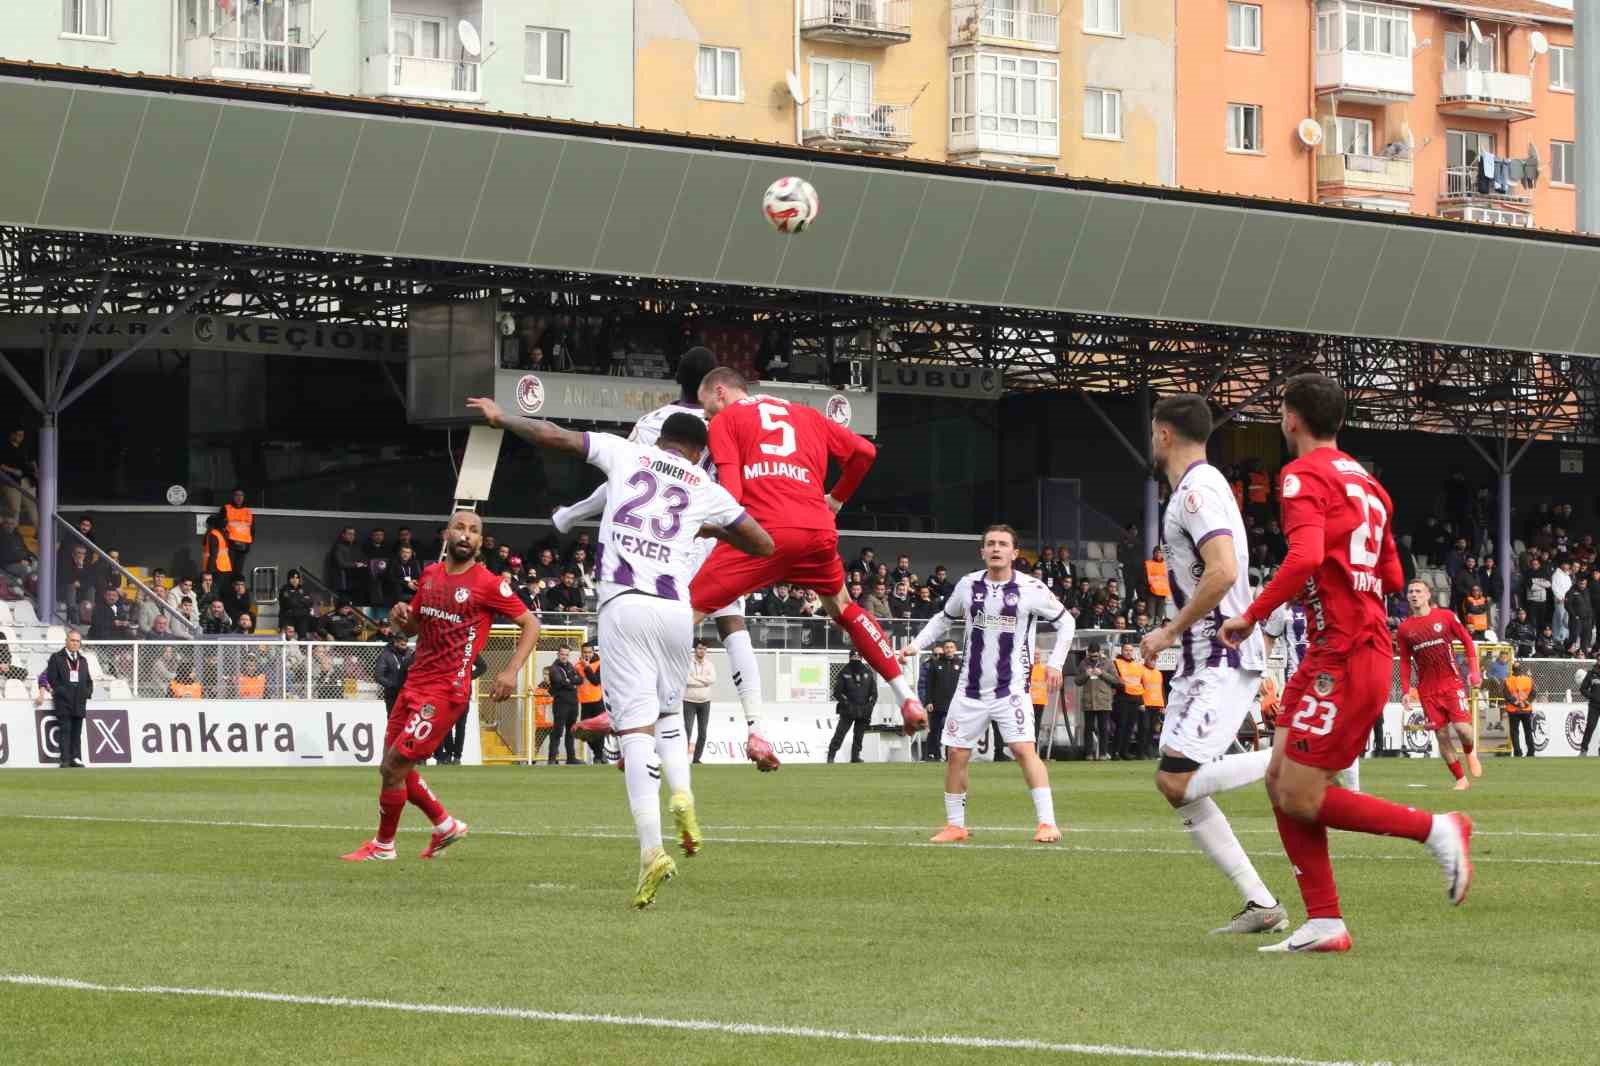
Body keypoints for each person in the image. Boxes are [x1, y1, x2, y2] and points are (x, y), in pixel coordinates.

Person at [469, 397, 772, 907]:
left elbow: (554, 435)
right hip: (677, 610)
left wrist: (504, 419)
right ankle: (684, 795)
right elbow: (761, 544)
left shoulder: (627, 453)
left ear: (661, 440)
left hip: (624, 604)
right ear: (699, 452)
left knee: (634, 730)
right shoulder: (705, 485)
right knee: (669, 714)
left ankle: (651, 850)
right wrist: (706, 525)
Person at [1220, 373, 1473, 954]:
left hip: (1346, 648)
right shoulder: (1372, 486)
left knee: (1303, 794)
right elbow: (1390, 577)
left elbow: (1306, 555)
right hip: (1339, 646)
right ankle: (1325, 921)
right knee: (1281, 781)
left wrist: (1253, 614)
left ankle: (1437, 829)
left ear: (1291, 419)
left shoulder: (1300, 475)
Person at [548, 348, 784, 773]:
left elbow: (619, 484)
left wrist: (571, 513)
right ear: (714, 384)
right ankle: (757, 726)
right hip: (716, 531)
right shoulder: (735, 420)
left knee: (638, 623)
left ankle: (627, 727)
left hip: (665, 542)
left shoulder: (655, 423)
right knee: (732, 624)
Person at [690, 368, 928, 749]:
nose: (706, 417)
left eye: (706, 408)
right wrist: (835, 499)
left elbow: (731, 495)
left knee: (683, 612)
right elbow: (865, 454)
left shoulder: (727, 421)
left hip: (763, 530)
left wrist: (707, 527)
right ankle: (905, 695)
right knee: (845, 608)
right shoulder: (808, 415)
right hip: (816, 530)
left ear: (720, 392)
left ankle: (636, 717)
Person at [1133, 394, 1286, 935]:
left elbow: (1220, 571)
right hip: (1202, 656)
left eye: (1154, 432)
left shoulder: (1196, 493)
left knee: (1178, 781)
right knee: (1174, 785)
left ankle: (1293, 759)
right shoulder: (1204, 486)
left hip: (1219, 650)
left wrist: (1170, 629)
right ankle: (1261, 904)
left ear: (1164, 434)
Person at [340, 509, 539, 863]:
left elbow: (531, 624)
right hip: (414, 682)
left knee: (394, 767)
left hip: (446, 690)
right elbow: (413, 628)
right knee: (391, 765)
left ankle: (384, 846)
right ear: (447, 534)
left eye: (474, 531)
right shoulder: (430, 575)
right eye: (460, 528)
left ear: (480, 541)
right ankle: (444, 826)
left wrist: (509, 672)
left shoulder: (489, 584)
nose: (466, 535)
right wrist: (402, 617)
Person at [900, 524, 1073, 845]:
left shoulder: (1031, 588)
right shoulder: (968, 585)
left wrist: (1055, 663)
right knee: (956, 754)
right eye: (990, 544)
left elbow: (1067, 622)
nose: (996, 549)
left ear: (1014, 552)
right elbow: (943, 618)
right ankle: (955, 825)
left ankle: (1047, 823)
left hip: (1011, 689)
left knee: (1023, 750)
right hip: (969, 690)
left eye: (1002, 544)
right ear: (982, 551)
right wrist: (917, 644)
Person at [1396, 580, 1483, 790]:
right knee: (1441, 735)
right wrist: (1406, 690)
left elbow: (1467, 640)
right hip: (1427, 690)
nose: (1414, 594)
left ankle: (1470, 751)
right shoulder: (1404, 629)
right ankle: (1461, 779)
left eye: (1418, 591)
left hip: (1451, 682)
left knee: (1463, 729)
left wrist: (1474, 671)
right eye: (1410, 592)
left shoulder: (1444, 616)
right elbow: (1406, 662)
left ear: (1428, 595)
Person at [42, 630, 92, 768]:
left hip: (79, 701)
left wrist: (87, 692)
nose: (75, 643)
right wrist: (63, 692)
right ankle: (65, 759)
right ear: (66, 641)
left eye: (77, 641)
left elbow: (88, 680)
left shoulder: (83, 660)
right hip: (64, 701)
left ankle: (76, 758)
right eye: (72, 640)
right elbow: (52, 679)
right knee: (65, 729)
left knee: (77, 731)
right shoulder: (56, 658)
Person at [827, 650, 876, 763]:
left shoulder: (868, 673)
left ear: (861, 658)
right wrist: (846, 704)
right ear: (849, 658)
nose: (856, 659)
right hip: (847, 710)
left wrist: (870, 706)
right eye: (853, 657)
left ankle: (855, 757)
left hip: (863, 710)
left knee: (859, 736)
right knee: (840, 734)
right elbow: (837, 692)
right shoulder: (844, 672)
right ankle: (831, 756)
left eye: (858, 657)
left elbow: (874, 693)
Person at [1075, 641, 1116, 760]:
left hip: (1103, 701)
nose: (1094, 657)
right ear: (1088, 653)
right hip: (1089, 701)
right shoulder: (1083, 663)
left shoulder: (1108, 663)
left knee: (1103, 729)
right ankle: (1088, 754)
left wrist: (1102, 673)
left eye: (1096, 655)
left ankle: (1103, 753)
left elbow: (1116, 680)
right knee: (1088, 728)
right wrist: (1086, 675)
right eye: (1091, 655)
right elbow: (1077, 681)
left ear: (1100, 652)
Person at [922, 639, 961, 762]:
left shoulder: (961, 664)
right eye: (947, 647)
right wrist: (928, 701)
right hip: (937, 704)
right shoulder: (935, 664)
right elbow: (928, 685)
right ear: (944, 649)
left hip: (954, 705)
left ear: (955, 649)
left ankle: (950, 756)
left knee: (952, 731)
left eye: (951, 647)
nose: (949, 649)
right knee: (935, 730)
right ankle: (932, 755)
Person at [545, 645, 581, 765]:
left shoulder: (570, 666)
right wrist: (571, 681)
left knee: (571, 731)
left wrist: (569, 680)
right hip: (561, 703)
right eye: (562, 654)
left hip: (573, 703)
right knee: (558, 731)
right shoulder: (554, 668)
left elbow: (580, 679)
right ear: (558, 654)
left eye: (566, 654)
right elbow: (559, 681)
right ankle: (552, 759)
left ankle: (571, 758)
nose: (564, 656)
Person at [1110, 640, 1145, 760]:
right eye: (1126, 650)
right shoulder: (1116, 662)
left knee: (1130, 726)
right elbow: (1115, 680)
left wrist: (1141, 701)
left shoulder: (1137, 664)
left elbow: (1139, 683)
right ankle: (1115, 752)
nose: (1128, 652)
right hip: (1122, 697)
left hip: (1135, 698)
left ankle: (1124, 752)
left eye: (1130, 650)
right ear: (1121, 651)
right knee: (1121, 725)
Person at [683, 641, 715, 764]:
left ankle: (696, 759)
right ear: (695, 649)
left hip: (705, 702)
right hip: (689, 701)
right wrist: (703, 681)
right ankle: (682, 758)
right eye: (699, 648)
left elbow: (712, 679)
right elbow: (686, 680)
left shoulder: (709, 665)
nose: (701, 651)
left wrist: (695, 678)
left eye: (704, 648)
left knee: (703, 732)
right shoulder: (687, 663)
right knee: (687, 730)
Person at [577, 642, 606, 764]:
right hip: (584, 702)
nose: (587, 654)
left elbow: (595, 681)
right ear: (581, 653)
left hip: (597, 701)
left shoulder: (600, 664)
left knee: (598, 730)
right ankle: (598, 753)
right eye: (585, 652)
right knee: (584, 731)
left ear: (593, 652)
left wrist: (587, 667)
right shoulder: (577, 665)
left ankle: (598, 756)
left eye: (589, 652)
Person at [375, 631, 411, 716]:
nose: (405, 647)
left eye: (406, 645)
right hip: (392, 694)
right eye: (402, 645)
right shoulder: (386, 655)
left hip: (408, 693)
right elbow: (378, 676)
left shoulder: (409, 653)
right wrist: (393, 685)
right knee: (393, 718)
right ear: (395, 643)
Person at [1503, 661, 1535, 757]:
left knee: (1515, 732)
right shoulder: (1528, 680)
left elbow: (1507, 695)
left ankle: (1518, 752)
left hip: (1513, 710)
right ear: (1522, 670)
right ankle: (1531, 751)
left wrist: (1516, 703)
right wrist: (1525, 703)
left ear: (1512, 670)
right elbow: (1533, 694)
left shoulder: (1507, 680)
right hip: (1526, 710)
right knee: (1528, 731)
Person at [221, 488, 254, 573]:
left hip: (243, 546)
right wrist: (226, 538)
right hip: (230, 545)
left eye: (241, 495)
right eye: (237, 495)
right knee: (228, 570)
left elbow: (252, 529)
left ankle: (236, 586)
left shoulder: (247, 511)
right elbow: (221, 525)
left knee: (238, 571)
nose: (239, 497)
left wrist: (249, 544)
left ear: (244, 497)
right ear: (233, 496)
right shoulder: (226, 508)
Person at [278, 570, 314, 638]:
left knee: (303, 636)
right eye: (292, 578)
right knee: (288, 636)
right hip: (289, 617)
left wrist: (297, 599)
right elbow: (289, 603)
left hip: (302, 617)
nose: (295, 580)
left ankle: (303, 647)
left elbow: (310, 602)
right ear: (289, 579)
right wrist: (303, 599)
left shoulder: (304, 589)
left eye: (297, 578)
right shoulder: (284, 589)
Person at [201, 514, 233, 582]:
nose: (206, 526)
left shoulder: (213, 534)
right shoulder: (221, 534)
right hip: (224, 567)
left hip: (216, 568)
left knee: (213, 590)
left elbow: (213, 554)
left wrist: (208, 571)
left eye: (207, 524)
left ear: (210, 525)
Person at [1578, 656, 1600, 756]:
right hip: (1594, 705)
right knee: (1590, 726)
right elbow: (1583, 689)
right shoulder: (1591, 673)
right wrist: (1592, 696)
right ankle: (1583, 750)